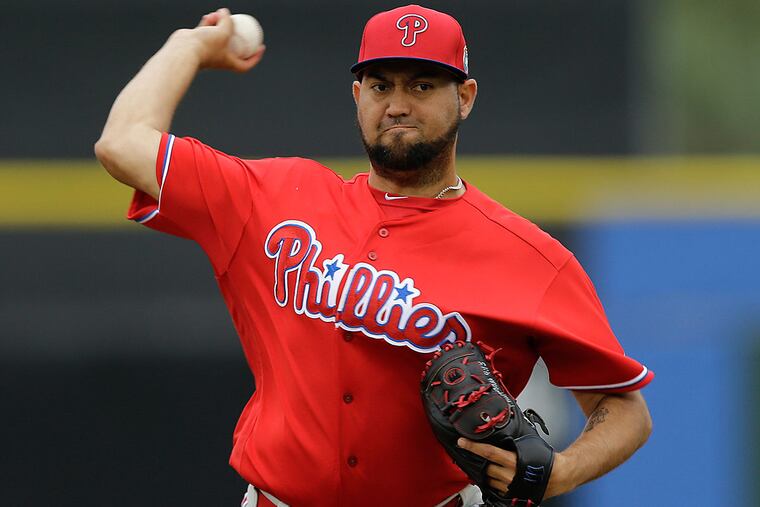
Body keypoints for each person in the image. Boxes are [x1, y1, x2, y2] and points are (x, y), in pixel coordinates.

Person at [95, 5, 653, 506]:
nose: (398, 105)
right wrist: (187, 45)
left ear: (465, 97)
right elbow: (121, 143)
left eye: (423, 85)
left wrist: (563, 470)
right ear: (357, 94)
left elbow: (625, 409)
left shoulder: (530, 257)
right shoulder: (272, 198)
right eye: (381, 85)